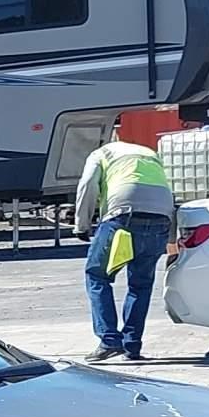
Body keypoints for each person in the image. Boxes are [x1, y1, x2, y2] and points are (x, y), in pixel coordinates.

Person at [71, 134, 175, 362]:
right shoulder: (149, 154)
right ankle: (132, 346)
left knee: (97, 276)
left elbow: (87, 184)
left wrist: (82, 225)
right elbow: (166, 190)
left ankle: (109, 340)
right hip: (161, 217)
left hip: (123, 216)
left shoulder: (101, 154)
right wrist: (172, 237)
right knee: (141, 284)